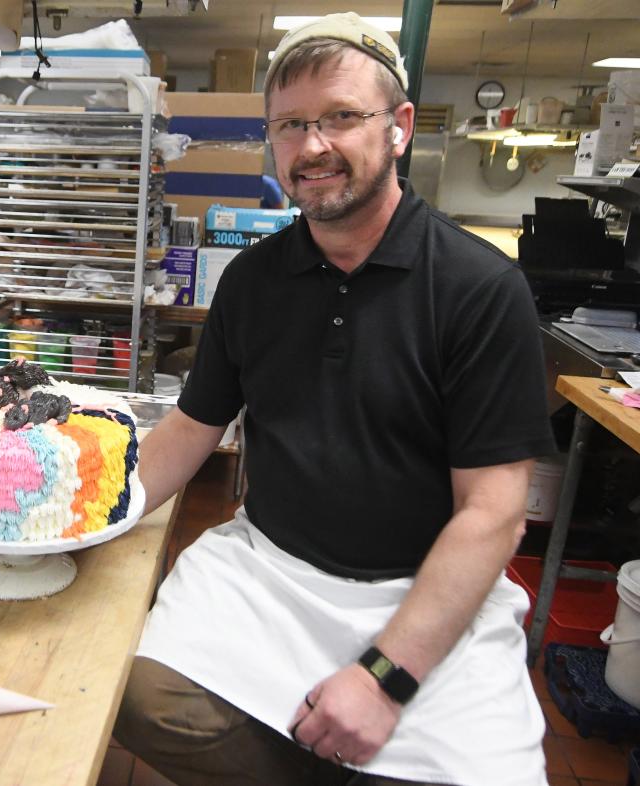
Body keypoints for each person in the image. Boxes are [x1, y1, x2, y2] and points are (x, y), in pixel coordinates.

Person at [115, 12, 556, 786]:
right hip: (274, 574)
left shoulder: (479, 289)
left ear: (399, 128)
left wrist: (387, 677)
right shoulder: (251, 282)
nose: (311, 146)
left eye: (341, 117)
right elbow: (191, 428)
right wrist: (93, 518)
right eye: (289, 125)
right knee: (131, 694)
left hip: (422, 590)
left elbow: (494, 512)